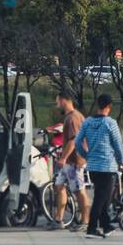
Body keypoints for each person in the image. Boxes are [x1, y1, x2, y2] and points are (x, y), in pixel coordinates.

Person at [74, 94, 123, 239]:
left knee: (103, 197)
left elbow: (77, 141)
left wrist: (86, 155)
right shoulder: (110, 123)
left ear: (98, 105)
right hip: (108, 166)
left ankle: (107, 226)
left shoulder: (87, 122)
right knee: (101, 198)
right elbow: (117, 143)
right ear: (109, 106)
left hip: (93, 166)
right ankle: (91, 228)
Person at [51, 93, 89, 230]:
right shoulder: (72, 116)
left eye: (57, 101)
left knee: (79, 190)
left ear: (63, 100)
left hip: (74, 161)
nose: (57, 104)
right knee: (59, 186)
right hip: (68, 162)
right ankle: (58, 219)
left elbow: (73, 140)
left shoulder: (73, 118)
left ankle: (85, 221)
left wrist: (63, 157)